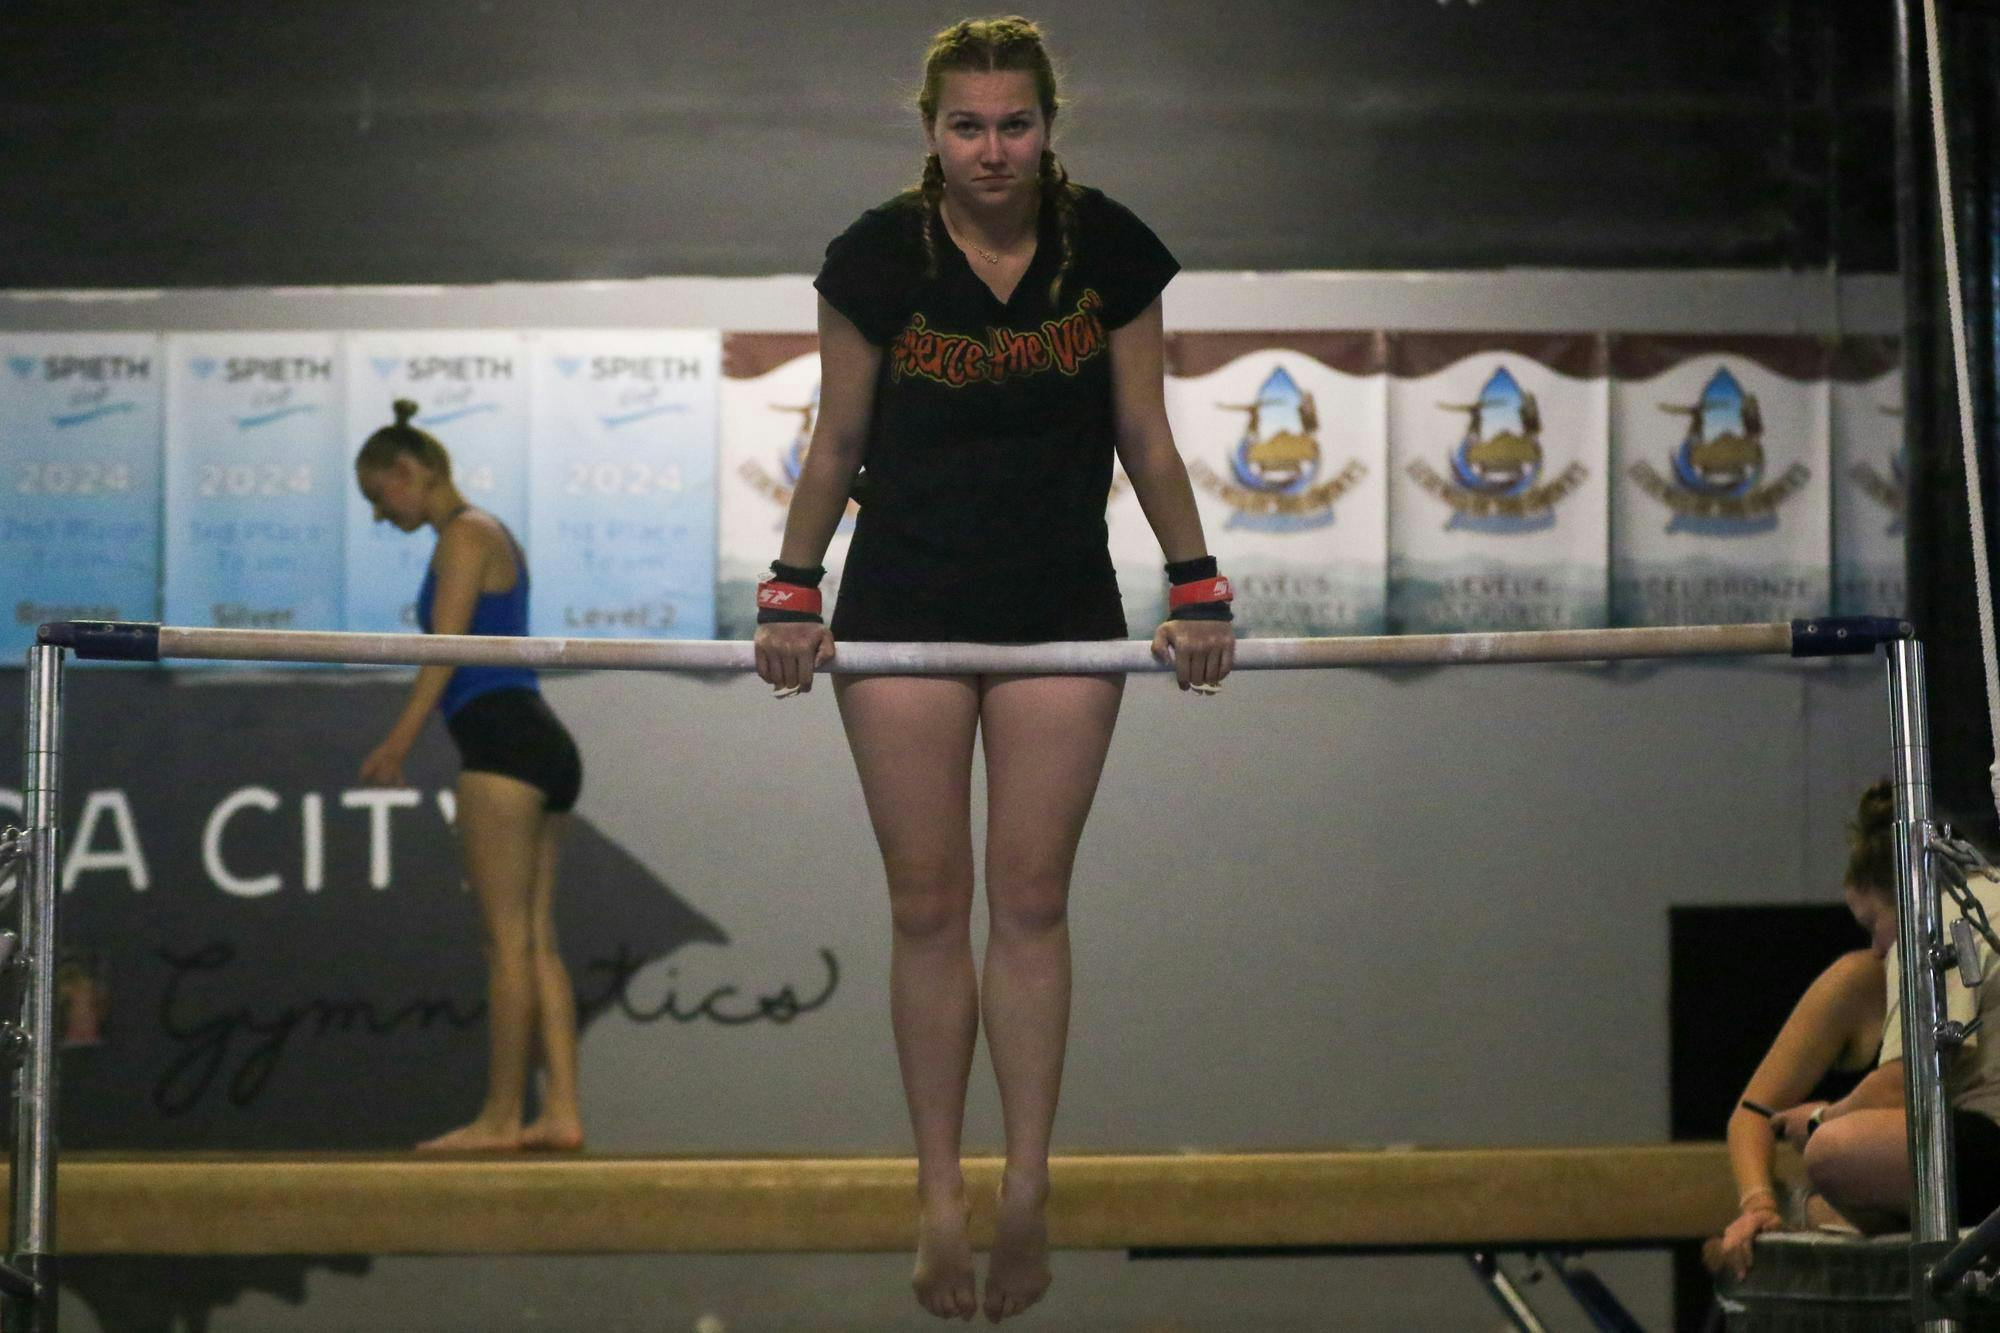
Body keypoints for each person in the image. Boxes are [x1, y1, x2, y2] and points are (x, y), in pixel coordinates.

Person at [752, 16, 1234, 1322]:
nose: (992, 149)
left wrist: (1196, 583)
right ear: (930, 132)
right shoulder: (873, 257)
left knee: (1029, 899)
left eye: (1014, 123)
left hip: (1058, 602)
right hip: (906, 598)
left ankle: (1026, 1182)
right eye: (966, 126)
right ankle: (939, 1192)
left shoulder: (1110, 249)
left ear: (1048, 126)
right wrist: (792, 589)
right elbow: (836, 433)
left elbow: (1144, 427)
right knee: (926, 904)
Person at [355, 398, 585, 1153]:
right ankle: (562, 1113)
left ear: (408, 470)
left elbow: (446, 649)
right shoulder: (481, 532)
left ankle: (499, 1117)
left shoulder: (466, 534)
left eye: (378, 496)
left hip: (504, 743)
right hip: (537, 742)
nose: (380, 517)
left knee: (505, 944)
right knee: (537, 938)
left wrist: (396, 743)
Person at [1769, 805, 2000, 1235]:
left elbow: (1899, 1087)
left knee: (1831, 1151)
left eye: (1872, 922)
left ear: (1898, 892)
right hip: (1979, 1139)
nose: (1875, 948)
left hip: (1989, 1141)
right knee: (1832, 1193)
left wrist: (1822, 1120)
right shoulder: (1988, 892)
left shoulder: (1930, 922)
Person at [1711, 782, 1893, 1280]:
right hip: (1863, 1193)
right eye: (1865, 926)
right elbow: (1752, 1115)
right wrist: (1758, 1204)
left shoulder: (1976, 965)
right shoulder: (1861, 980)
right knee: (1820, 1208)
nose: (1877, 946)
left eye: (1876, 922)